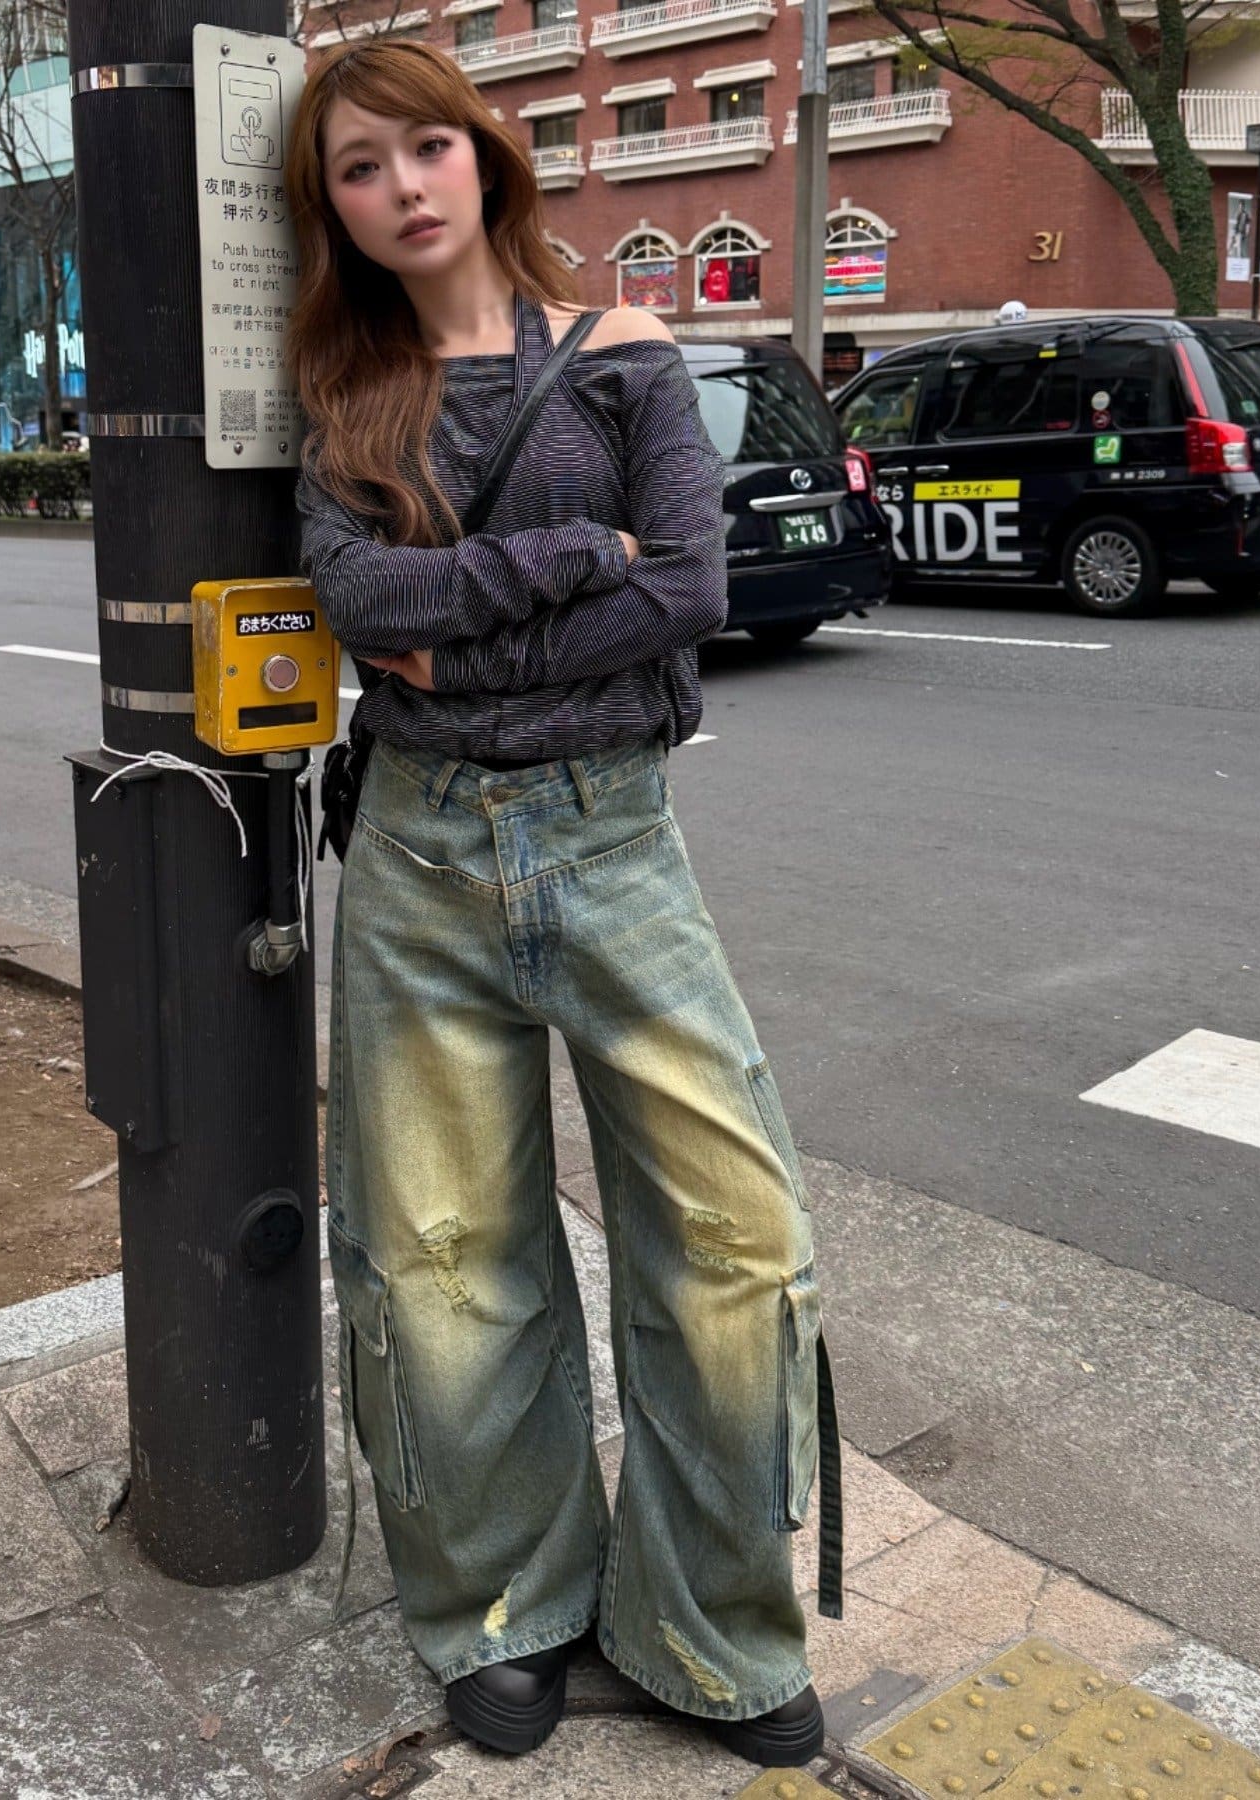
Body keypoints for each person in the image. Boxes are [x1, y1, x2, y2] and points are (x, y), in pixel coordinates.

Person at [286, 38, 843, 1770]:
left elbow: (688, 590)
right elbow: (354, 595)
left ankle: (708, 1627)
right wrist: (556, 565)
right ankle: (507, 1605)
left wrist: (456, 647)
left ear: (484, 152)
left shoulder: (625, 350)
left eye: (423, 147)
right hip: (421, 857)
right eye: (359, 167)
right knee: (444, 1258)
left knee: (739, 1239)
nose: (401, 187)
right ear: (332, 207)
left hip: (615, 840)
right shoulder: (344, 390)